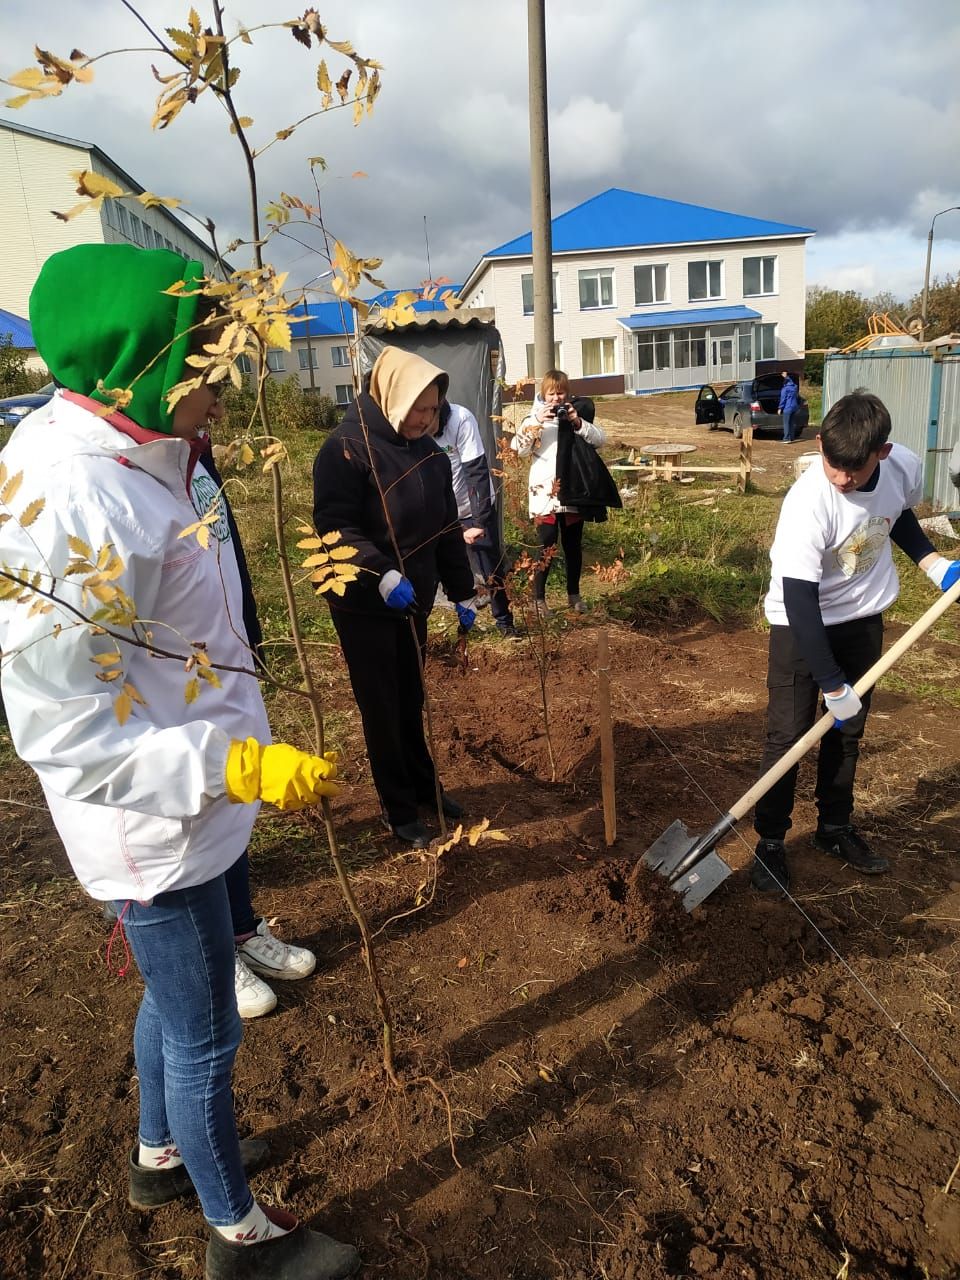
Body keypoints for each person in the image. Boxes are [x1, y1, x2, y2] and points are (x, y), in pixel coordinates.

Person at [1, 243, 360, 1279]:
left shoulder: (130, 452)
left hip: (186, 806)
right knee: (206, 1030)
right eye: (203, 359)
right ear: (134, 364)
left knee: (174, 995)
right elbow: (64, 731)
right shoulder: (80, 504)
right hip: (150, 819)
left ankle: (161, 1156)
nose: (220, 381)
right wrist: (235, 762)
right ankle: (239, 1236)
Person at [751, 388, 960, 894]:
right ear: (821, 443)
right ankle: (772, 842)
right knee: (789, 735)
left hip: (863, 617)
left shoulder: (902, 466)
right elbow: (799, 600)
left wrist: (934, 564)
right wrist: (830, 682)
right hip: (800, 624)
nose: (841, 479)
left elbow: (896, 514)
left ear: (882, 454)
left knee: (846, 733)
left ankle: (834, 828)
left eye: (854, 471)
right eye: (832, 465)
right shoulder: (807, 502)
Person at [312, 347, 477, 851]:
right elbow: (334, 526)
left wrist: (463, 590)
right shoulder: (345, 450)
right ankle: (397, 806)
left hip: (413, 599)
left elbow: (447, 526)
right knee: (381, 703)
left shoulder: (428, 453)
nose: (427, 420)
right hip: (364, 604)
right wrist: (380, 573)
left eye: (434, 411)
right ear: (390, 397)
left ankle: (424, 785)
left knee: (411, 694)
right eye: (418, 409)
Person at [511, 370, 609, 616]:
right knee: (546, 546)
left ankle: (574, 595)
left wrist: (578, 423)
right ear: (544, 396)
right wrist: (536, 424)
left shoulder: (576, 418)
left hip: (572, 492)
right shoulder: (532, 419)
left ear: (568, 394)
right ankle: (539, 599)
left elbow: (599, 440)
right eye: (551, 394)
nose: (556, 399)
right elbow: (518, 450)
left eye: (560, 393)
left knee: (573, 545)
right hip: (544, 496)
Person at [430, 396, 519, 638]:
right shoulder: (414, 426)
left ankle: (504, 621)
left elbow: (476, 472)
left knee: (490, 566)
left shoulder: (461, 419)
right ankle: (463, 623)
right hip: (442, 511)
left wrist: (479, 522)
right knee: (445, 567)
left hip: (473, 507)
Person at [779, 371, 801, 443]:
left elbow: (783, 399)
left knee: (786, 423)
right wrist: (787, 377)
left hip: (788, 407)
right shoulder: (794, 387)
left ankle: (786, 439)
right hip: (794, 407)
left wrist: (780, 408)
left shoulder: (785, 389)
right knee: (791, 423)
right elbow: (792, 383)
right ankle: (791, 437)